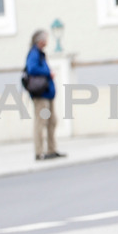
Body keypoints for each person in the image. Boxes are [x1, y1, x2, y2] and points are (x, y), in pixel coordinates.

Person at [26, 30, 65, 161]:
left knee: (52, 121)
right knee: (40, 122)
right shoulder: (34, 53)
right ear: (41, 41)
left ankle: (51, 149)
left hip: (47, 93)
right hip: (41, 94)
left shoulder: (41, 54)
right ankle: (39, 152)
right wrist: (48, 72)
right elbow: (32, 69)